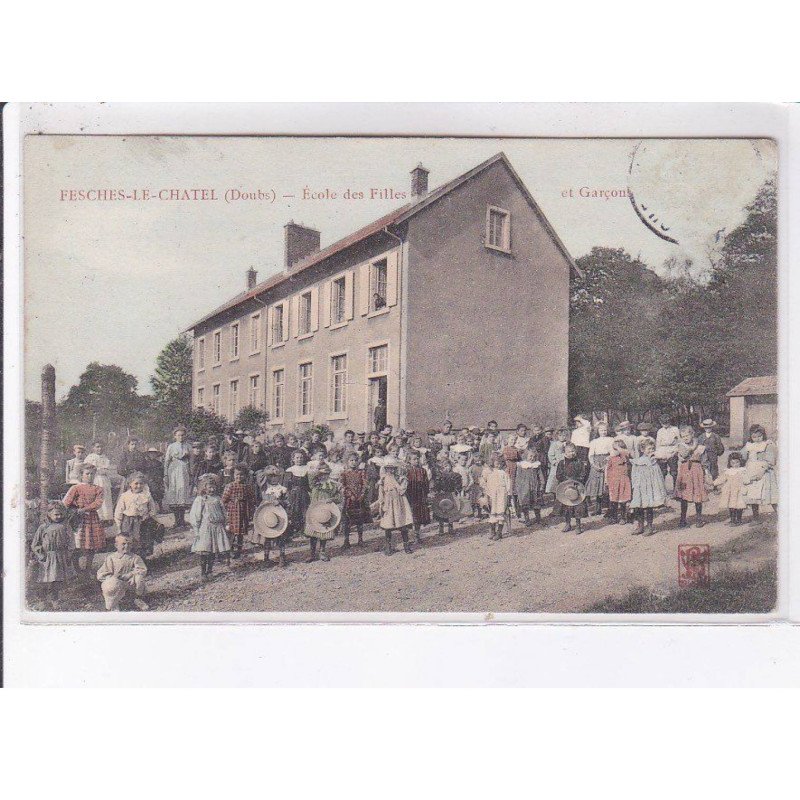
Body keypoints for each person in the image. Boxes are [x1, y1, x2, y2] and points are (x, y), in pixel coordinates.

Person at [63, 463, 106, 578]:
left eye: (92, 474)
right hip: (78, 519)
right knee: (77, 544)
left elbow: (98, 503)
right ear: (81, 475)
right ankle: (76, 569)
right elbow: (66, 503)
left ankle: (88, 568)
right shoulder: (76, 488)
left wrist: (85, 509)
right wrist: (74, 511)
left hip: (92, 518)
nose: (89, 476)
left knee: (91, 545)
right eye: (87, 473)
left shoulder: (98, 489)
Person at [30, 501, 75, 609]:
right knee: (44, 581)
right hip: (46, 558)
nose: (59, 517)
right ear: (49, 514)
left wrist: (68, 555)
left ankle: (55, 600)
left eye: (61, 514)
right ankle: (42, 600)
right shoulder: (43, 527)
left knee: (56, 581)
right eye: (56, 514)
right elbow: (35, 544)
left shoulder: (65, 527)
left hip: (60, 557)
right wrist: (41, 555)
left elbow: (71, 542)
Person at [189, 473, 231, 579]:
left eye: (214, 487)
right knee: (205, 551)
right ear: (204, 487)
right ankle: (203, 572)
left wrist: (226, 523)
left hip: (217, 527)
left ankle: (210, 570)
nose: (212, 489)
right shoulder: (201, 500)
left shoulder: (218, 499)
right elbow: (196, 515)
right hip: (206, 528)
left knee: (213, 551)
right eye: (209, 487)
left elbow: (224, 512)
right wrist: (196, 529)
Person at [96, 533, 149, 611]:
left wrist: (131, 574)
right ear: (116, 545)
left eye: (129, 544)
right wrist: (113, 578)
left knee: (139, 578)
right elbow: (101, 574)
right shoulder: (111, 558)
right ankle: (114, 605)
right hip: (117, 584)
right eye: (123, 544)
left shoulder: (135, 557)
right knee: (111, 585)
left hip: (130, 583)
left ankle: (137, 598)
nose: (127, 546)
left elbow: (142, 569)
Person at [113, 470, 159, 558]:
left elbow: (153, 509)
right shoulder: (125, 496)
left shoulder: (146, 495)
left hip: (143, 522)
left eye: (141, 484)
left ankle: (142, 560)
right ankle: (130, 561)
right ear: (130, 484)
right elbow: (118, 512)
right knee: (129, 541)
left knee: (143, 541)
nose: (138, 486)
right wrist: (119, 527)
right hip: (128, 522)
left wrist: (149, 516)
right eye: (136, 483)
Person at [251, 465, 290, 567]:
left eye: (275, 476)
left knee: (280, 536)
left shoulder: (282, 489)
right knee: (266, 535)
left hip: (279, 513)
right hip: (266, 513)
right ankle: (266, 557)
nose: (273, 478)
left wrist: (280, 502)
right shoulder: (264, 488)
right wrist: (267, 470)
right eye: (271, 476)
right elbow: (259, 477)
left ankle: (282, 556)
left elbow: (288, 502)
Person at [739, 423, 779, 521]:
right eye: (754, 437)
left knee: (770, 495)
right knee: (753, 495)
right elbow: (742, 457)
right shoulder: (749, 445)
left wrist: (762, 470)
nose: (757, 439)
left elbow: (771, 461)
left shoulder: (768, 445)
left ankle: (781, 515)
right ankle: (756, 517)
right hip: (751, 471)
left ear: (763, 435)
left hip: (764, 472)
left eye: (759, 436)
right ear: (751, 437)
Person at [630, 437, 667, 536]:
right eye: (648, 449)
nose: (651, 451)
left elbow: (658, 474)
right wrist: (635, 485)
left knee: (649, 506)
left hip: (650, 487)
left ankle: (649, 526)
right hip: (640, 487)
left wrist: (655, 456)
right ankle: (640, 526)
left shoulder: (654, 461)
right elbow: (634, 474)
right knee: (639, 506)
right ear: (642, 450)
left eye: (652, 449)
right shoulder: (637, 461)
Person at [304, 462, 341, 562]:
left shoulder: (332, 485)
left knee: (323, 532)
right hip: (314, 511)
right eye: (321, 474)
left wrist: (332, 499)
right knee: (313, 533)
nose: (323, 476)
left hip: (326, 512)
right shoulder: (314, 484)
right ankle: (312, 553)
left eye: (326, 474)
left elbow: (339, 498)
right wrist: (318, 470)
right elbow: (310, 476)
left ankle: (322, 552)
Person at [377, 456, 414, 555]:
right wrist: (381, 503)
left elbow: (402, 490)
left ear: (396, 468)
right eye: (388, 468)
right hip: (388, 503)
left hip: (399, 502)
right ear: (385, 468)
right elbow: (381, 493)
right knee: (388, 525)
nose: (390, 470)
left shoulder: (400, 478)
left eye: (392, 468)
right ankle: (388, 546)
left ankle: (406, 545)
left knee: (402, 523)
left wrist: (400, 483)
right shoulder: (383, 479)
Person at [222, 464, 258, 559]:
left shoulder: (247, 487)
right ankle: (230, 549)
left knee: (241, 532)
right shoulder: (230, 486)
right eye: (237, 474)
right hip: (233, 512)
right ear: (233, 475)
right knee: (232, 531)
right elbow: (223, 501)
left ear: (245, 476)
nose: (239, 477)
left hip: (243, 512)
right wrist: (231, 505)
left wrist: (249, 506)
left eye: (241, 475)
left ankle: (239, 549)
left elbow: (252, 499)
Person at [675, 426, 708, 528]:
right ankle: (683, 518)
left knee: (697, 494)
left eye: (687, 435)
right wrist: (690, 448)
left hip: (696, 470)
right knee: (684, 495)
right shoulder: (681, 446)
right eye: (683, 436)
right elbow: (683, 455)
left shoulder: (700, 446)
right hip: (685, 471)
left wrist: (706, 470)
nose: (685, 438)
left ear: (692, 434)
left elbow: (704, 459)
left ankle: (699, 518)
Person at [552, 443, 589, 534]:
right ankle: (567, 523)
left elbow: (583, 474)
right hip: (565, 487)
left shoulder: (579, 462)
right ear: (564, 453)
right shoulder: (562, 463)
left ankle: (578, 525)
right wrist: (566, 480)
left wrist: (577, 480)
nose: (571, 453)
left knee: (577, 506)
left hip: (576, 486)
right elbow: (558, 475)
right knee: (566, 506)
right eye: (569, 451)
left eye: (573, 451)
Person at [84, 440, 118, 531]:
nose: (99, 449)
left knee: (105, 498)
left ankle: (106, 518)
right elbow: (89, 469)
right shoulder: (90, 457)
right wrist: (98, 469)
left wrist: (99, 469)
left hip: (104, 480)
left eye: (101, 447)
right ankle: (96, 517)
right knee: (96, 497)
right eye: (97, 447)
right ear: (93, 448)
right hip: (95, 479)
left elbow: (106, 470)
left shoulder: (105, 458)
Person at [164, 425, 192, 530]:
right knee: (175, 493)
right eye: (179, 435)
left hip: (184, 471)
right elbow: (167, 461)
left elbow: (192, 460)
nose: (181, 437)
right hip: (174, 471)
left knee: (183, 494)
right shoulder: (171, 446)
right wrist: (166, 474)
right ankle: (176, 521)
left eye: (183, 435)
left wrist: (191, 472)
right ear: (175, 436)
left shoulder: (188, 446)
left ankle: (182, 520)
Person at [339, 451, 370, 548]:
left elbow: (365, 485)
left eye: (355, 460)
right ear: (347, 462)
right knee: (347, 521)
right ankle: (346, 541)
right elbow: (342, 486)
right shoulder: (344, 473)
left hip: (359, 500)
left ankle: (360, 539)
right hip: (349, 500)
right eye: (351, 460)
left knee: (360, 520)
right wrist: (349, 494)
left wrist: (362, 495)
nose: (353, 462)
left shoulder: (361, 472)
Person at [283, 449, 311, 551]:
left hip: (304, 493)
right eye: (297, 457)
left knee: (305, 511)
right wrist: (286, 495)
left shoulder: (307, 469)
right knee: (294, 511)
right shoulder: (290, 470)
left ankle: (305, 531)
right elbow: (286, 485)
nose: (299, 459)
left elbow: (309, 484)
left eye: (301, 457)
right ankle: (294, 532)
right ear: (293, 459)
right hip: (293, 494)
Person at [585, 422, 614, 516]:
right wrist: (594, 465)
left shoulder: (611, 440)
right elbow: (590, 455)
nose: (603, 432)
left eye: (605, 430)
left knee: (607, 486)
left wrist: (608, 461)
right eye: (601, 430)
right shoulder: (594, 441)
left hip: (608, 461)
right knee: (597, 486)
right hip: (596, 463)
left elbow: (613, 452)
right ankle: (597, 509)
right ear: (598, 431)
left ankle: (610, 509)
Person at [481, 452, 511, 541]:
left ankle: (499, 532)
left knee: (501, 512)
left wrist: (509, 494)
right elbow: (483, 481)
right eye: (496, 463)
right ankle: (492, 531)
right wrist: (485, 490)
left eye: (500, 463)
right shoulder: (488, 471)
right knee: (492, 512)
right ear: (492, 462)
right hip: (492, 494)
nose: (498, 465)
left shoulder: (503, 473)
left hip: (502, 495)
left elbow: (508, 484)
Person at [714, 452, 748, 526]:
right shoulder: (728, 471)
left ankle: (739, 520)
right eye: (733, 463)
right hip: (729, 491)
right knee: (731, 505)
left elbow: (746, 479)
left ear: (740, 462)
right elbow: (722, 479)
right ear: (730, 463)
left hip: (739, 490)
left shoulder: (742, 471)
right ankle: (732, 520)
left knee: (739, 505)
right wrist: (714, 483)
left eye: (737, 462)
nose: (735, 464)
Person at [405, 450, 431, 542]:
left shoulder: (422, 470)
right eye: (414, 459)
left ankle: (417, 534)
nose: (416, 461)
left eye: (417, 459)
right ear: (409, 460)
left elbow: (426, 483)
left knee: (418, 516)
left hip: (420, 495)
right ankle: (409, 536)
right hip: (410, 495)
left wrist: (426, 494)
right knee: (410, 515)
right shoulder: (406, 470)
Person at [605, 438, 632, 524]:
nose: (617, 451)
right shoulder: (611, 459)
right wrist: (606, 480)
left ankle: (623, 517)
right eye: (615, 449)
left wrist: (622, 451)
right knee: (614, 499)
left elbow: (629, 456)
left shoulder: (626, 457)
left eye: (619, 449)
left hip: (624, 480)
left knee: (623, 499)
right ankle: (614, 517)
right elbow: (607, 469)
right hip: (614, 481)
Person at [515, 448, 544, 526]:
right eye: (530, 456)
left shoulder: (536, 465)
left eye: (534, 457)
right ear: (525, 456)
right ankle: (527, 519)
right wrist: (518, 488)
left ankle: (538, 519)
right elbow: (518, 477)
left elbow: (540, 476)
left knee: (536, 503)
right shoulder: (521, 466)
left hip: (535, 487)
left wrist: (542, 485)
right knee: (525, 504)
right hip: (524, 488)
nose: (532, 458)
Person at [433, 459, 462, 537]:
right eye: (444, 466)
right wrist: (437, 490)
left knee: (450, 511)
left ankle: (450, 528)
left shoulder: (455, 475)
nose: (446, 468)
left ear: (451, 466)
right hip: (441, 495)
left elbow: (458, 486)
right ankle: (441, 528)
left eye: (447, 466)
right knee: (440, 512)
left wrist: (456, 492)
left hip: (450, 495)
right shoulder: (440, 476)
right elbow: (436, 486)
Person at [654, 414, 681, 487]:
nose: (665, 425)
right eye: (663, 423)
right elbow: (658, 443)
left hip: (672, 450)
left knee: (674, 471)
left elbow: (679, 441)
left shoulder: (675, 429)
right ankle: (662, 489)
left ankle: (676, 490)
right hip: (662, 451)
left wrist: (676, 451)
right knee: (663, 471)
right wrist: (658, 454)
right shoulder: (660, 431)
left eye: (667, 423)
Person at [545, 428, 569, 495]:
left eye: (564, 435)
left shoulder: (568, 443)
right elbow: (550, 454)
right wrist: (554, 461)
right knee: (554, 480)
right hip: (557, 465)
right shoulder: (554, 444)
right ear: (557, 436)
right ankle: (555, 494)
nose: (562, 437)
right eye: (560, 435)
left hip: (565, 464)